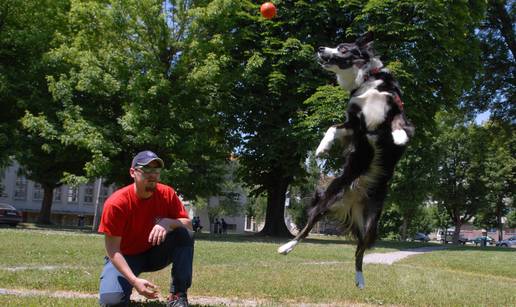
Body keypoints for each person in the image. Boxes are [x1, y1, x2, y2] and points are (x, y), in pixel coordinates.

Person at [98, 150, 194, 307]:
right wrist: (134, 281)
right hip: (126, 257)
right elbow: (113, 250)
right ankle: (122, 291)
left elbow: (188, 224)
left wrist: (168, 222)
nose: (152, 175)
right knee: (112, 303)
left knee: (184, 234)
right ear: (132, 172)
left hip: (155, 252)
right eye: (146, 170)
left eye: (156, 170)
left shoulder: (167, 194)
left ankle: (178, 295)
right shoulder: (116, 203)